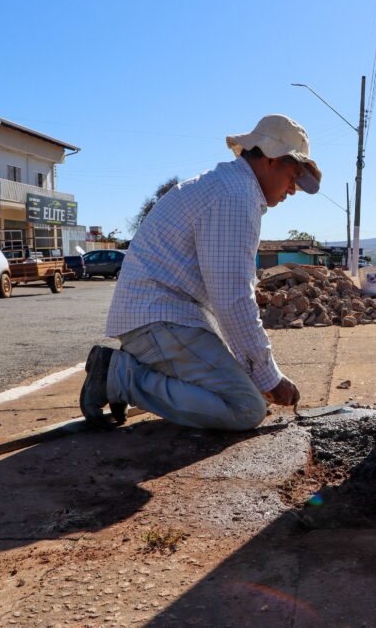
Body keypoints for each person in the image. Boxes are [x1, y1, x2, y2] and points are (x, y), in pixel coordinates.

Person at [79, 114, 322, 430]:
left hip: (164, 318)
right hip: (159, 320)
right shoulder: (235, 197)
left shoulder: (230, 187)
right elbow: (232, 300)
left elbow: (228, 296)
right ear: (271, 159)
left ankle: (133, 371)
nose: (293, 189)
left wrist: (257, 373)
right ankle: (120, 377)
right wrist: (270, 377)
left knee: (252, 393)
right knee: (246, 407)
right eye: (294, 175)